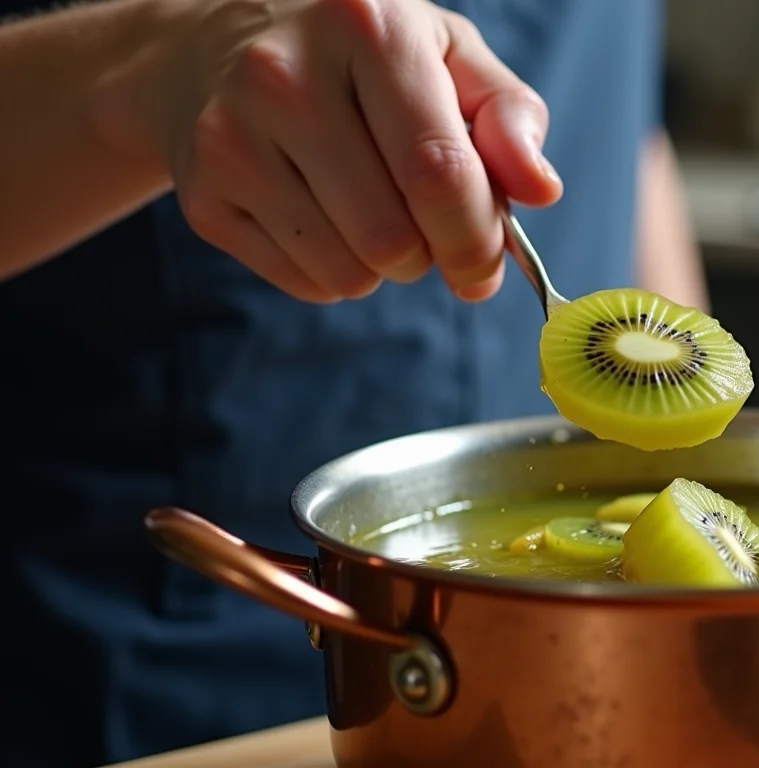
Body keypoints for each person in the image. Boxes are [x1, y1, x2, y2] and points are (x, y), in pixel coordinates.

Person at [0, 0, 705, 764]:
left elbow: (615, 109)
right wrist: (157, 71)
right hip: (165, 694)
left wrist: (688, 491)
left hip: (586, 674)